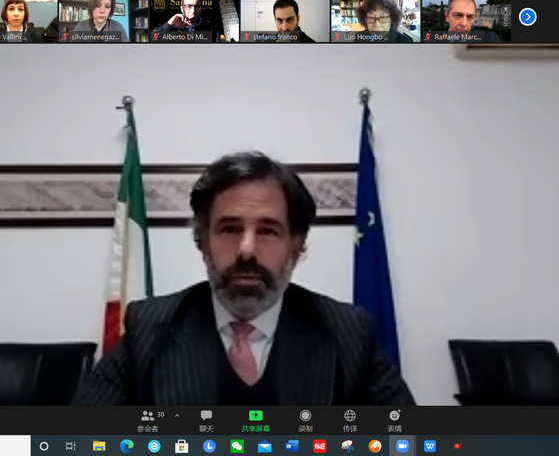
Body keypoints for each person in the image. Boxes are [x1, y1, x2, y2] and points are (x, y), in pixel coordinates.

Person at [73, 151, 415, 405]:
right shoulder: (149, 328)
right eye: (230, 229)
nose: (247, 250)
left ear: (296, 247)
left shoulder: (348, 333)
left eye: (267, 231)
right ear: (202, 242)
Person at [153, 0, 220, 40]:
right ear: (182, 9)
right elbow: (152, 39)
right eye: (188, 6)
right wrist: (169, 25)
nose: (193, 11)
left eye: (197, 6)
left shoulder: (211, 30)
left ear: (201, 10)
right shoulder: (170, 28)